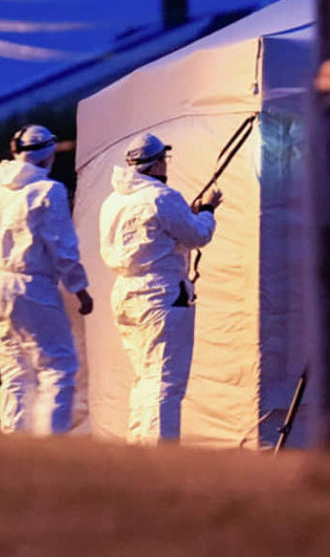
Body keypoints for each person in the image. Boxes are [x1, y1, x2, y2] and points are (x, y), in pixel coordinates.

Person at [0, 124, 93, 436]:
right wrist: (80, 288)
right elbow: (62, 246)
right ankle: (48, 449)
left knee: (15, 372)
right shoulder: (49, 191)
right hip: (32, 284)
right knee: (57, 367)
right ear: (48, 155)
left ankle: (14, 446)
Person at [98, 132, 223, 445]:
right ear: (155, 164)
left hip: (125, 292)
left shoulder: (113, 200)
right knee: (164, 381)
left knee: (144, 379)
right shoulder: (162, 197)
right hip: (161, 294)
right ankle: (160, 459)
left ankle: (139, 454)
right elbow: (197, 236)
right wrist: (207, 211)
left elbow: (157, 235)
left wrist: (186, 216)